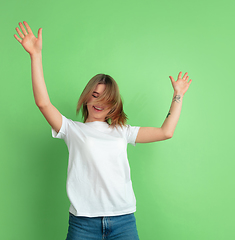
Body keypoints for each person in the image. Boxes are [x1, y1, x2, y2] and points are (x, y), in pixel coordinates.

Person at [14, 21, 192, 240]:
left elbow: (166, 132)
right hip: (83, 223)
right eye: (95, 95)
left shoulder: (122, 131)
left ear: (114, 105)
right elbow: (43, 103)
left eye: (107, 99)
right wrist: (36, 56)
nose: (99, 103)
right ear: (87, 96)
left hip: (123, 220)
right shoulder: (71, 130)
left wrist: (178, 95)